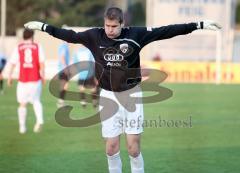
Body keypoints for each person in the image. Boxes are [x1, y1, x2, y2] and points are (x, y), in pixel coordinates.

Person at [24, 7, 221, 173]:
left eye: (114, 26)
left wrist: (199, 25)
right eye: (107, 26)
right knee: (111, 148)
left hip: (131, 96)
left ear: (122, 24)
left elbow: (167, 30)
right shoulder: (94, 36)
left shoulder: (136, 35)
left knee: (133, 149)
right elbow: (70, 36)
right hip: (108, 97)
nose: (109, 30)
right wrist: (43, 27)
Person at [7, 29, 45, 134]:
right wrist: (43, 75)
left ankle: (22, 127)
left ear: (23, 37)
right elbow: (41, 63)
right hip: (35, 79)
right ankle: (40, 120)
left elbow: (13, 63)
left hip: (23, 80)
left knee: (22, 104)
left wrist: (9, 76)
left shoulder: (19, 47)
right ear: (32, 36)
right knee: (36, 101)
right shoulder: (37, 46)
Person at [56, 41, 70, 107]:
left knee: (64, 86)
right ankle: (60, 102)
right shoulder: (64, 46)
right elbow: (62, 57)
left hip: (61, 69)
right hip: (63, 69)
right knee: (65, 86)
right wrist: (65, 68)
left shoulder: (62, 46)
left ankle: (61, 102)